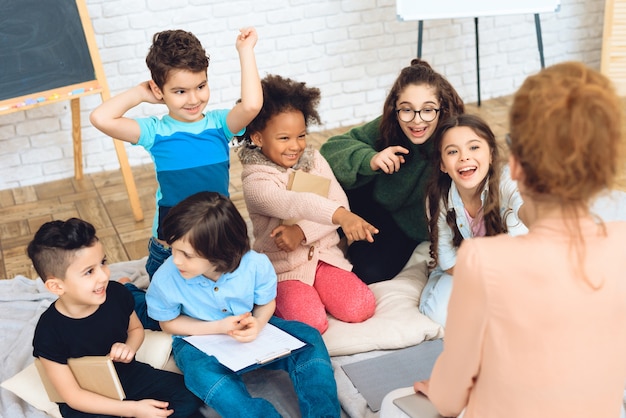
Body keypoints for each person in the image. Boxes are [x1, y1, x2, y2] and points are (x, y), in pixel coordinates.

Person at [380, 61, 626, 418]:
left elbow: (449, 399)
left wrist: (441, 389)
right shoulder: (620, 242)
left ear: (515, 166)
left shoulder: (486, 260)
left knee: (392, 407)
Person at [90, 28, 262, 330]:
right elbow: (101, 118)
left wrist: (245, 52)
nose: (194, 99)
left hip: (215, 238)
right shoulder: (155, 131)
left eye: (201, 86)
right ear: (161, 91)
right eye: (180, 91)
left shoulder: (220, 124)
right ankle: (127, 291)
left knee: (218, 308)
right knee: (161, 319)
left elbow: (250, 106)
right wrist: (141, 94)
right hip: (171, 247)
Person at [145, 191, 341, 418]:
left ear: (218, 251)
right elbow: (168, 322)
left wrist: (257, 324)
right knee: (200, 373)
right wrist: (218, 328)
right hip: (196, 339)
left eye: (187, 255)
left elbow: (266, 304)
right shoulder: (167, 276)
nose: (176, 260)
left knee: (309, 337)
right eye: (174, 250)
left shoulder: (255, 265)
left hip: (250, 327)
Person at [237, 74, 378, 334]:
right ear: (257, 138)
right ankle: (284, 299)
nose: (296, 146)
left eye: (300, 135)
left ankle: (319, 289)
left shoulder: (314, 160)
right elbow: (293, 203)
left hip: (325, 258)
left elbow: (338, 201)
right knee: (311, 324)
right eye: (284, 138)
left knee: (361, 307)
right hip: (284, 268)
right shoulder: (255, 179)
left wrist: (301, 232)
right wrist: (339, 217)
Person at [28, 218, 202, 418]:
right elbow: (73, 396)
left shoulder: (117, 294)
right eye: (89, 272)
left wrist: (129, 347)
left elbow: (135, 330)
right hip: (87, 396)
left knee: (188, 396)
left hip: (128, 376)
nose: (103, 276)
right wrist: (135, 409)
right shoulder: (49, 330)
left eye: (103, 262)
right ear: (57, 286)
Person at [319, 58, 465, 284]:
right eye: (407, 110)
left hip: (406, 225)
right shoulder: (391, 124)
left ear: (441, 108)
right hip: (371, 201)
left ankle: (347, 240)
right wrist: (371, 159)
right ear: (396, 109)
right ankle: (327, 240)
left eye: (427, 110)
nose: (417, 121)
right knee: (322, 187)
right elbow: (329, 150)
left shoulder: (455, 136)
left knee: (369, 272)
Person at [418, 114, 528, 326]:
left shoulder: (508, 181)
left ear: (491, 155)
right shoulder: (438, 198)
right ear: (442, 164)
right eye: (452, 151)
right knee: (437, 313)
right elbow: (448, 260)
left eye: (474, 147)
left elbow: (524, 208)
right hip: (465, 267)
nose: (464, 157)